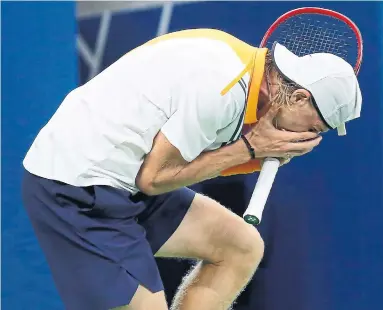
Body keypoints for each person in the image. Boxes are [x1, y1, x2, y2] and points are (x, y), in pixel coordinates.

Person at [21, 29, 362, 310]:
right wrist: (249, 148)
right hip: (77, 186)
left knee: (241, 247)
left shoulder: (244, 72)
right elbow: (155, 179)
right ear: (300, 97)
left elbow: (177, 167)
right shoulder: (224, 89)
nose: (309, 137)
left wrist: (254, 156)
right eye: (315, 127)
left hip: (128, 179)